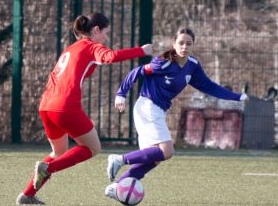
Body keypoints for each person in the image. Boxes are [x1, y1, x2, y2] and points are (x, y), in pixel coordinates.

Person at [16, 13, 153, 205]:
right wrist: (142, 50)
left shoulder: (70, 48)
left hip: (46, 105)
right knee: (92, 147)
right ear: (96, 30)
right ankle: (47, 169)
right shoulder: (91, 46)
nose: (106, 38)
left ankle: (27, 195)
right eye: (105, 33)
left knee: (59, 152)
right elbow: (110, 57)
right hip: (65, 106)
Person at [104, 28, 249, 201]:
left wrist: (237, 97)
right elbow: (137, 72)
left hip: (157, 110)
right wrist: (121, 94)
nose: (184, 46)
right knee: (166, 151)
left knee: (154, 159)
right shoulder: (164, 62)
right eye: (181, 43)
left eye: (189, 43)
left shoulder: (192, 66)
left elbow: (209, 87)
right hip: (148, 106)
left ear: (193, 45)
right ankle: (119, 159)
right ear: (174, 44)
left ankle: (117, 186)